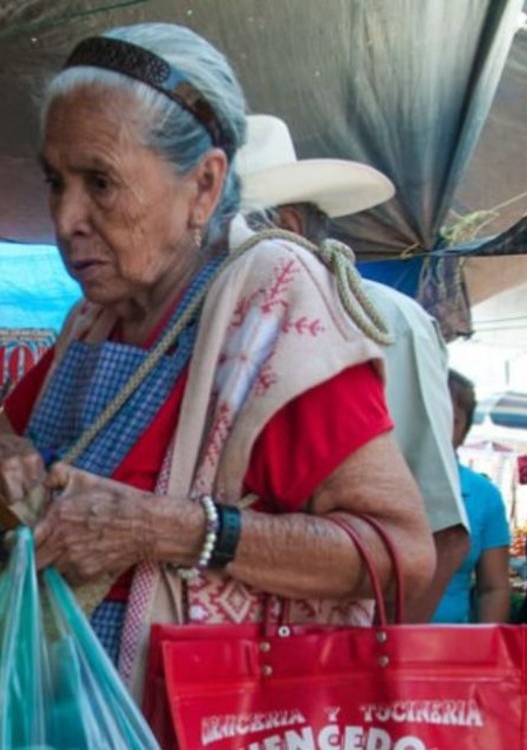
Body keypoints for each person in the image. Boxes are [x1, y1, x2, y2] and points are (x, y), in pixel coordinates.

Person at [0, 23, 434, 698]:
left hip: (193, 718)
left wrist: (166, 527)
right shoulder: (91, 325)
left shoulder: (270, 308)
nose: (65, 217)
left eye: (100, 182)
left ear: (203, 185)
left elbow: (402, 554)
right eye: (56, 181)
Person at [235, 114, 470, 623]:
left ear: (289, 228)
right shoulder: (225, 330)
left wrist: (377, 675)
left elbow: (440, 531)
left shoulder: (385, 320)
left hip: (335, 661)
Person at [432, 370, 512, 623]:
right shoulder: (382, 484)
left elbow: (493, 588)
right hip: (375, 644)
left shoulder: (483, 495)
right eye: (434, 413)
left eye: (452, 419)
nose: (441, 427)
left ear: (465, 428)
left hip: (452, 648)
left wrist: (486, 650)